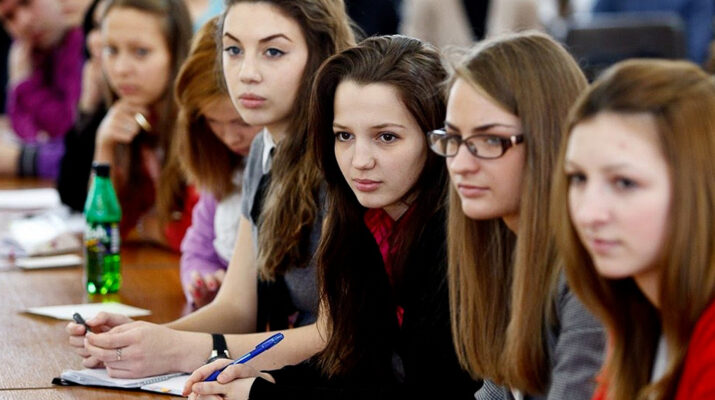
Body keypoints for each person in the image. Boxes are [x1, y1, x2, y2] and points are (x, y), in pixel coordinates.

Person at [66, 0, 355, 380]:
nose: (246, 73)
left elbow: (339, 338)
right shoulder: (264, 148)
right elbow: (238, 307)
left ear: (320, 54)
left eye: (273, 51)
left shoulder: (346, 155)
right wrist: (143, 339)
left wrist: (183, 349)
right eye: (233, 49)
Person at [183, 33, 478, 400]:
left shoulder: (457, 238)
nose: (359, 160)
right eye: (344, 136)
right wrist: (266, 377)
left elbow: (431, 392)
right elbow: (359, 368)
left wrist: (260, 393)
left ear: (437, 140)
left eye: (386, 137)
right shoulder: (361, 219)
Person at [431, 31, 604, 399]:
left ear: (550, 140)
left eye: (490, 140)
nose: (460, 164)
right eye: (454, 138)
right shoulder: (505, 240)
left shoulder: (589, 268)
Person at [552, 59, 715, 400]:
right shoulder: (636, 315)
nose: (588, 213)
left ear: (700, 188)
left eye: (624, 182)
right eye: (578, 178)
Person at [57, 0, 195, 251]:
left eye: (141, 52)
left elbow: (199, 236)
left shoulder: (203, 124)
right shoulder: (128, 116)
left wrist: (143, 226)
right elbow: (101, 232)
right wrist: (105, 148)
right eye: (111, 50)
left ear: (176, 53)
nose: (121, 69)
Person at [174, 17, 262, 308]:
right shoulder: (227, 170)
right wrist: (202, 282)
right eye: (213, 121)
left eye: (242, 122)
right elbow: (197, 251)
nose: (229, 138)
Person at [0, 0, 83, 178]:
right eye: (9, 17)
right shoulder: (30, 54)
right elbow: (24, 131)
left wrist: (24, 86)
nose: (24, 21)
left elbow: (72, 133)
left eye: (26, 3)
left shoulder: (83, 42)